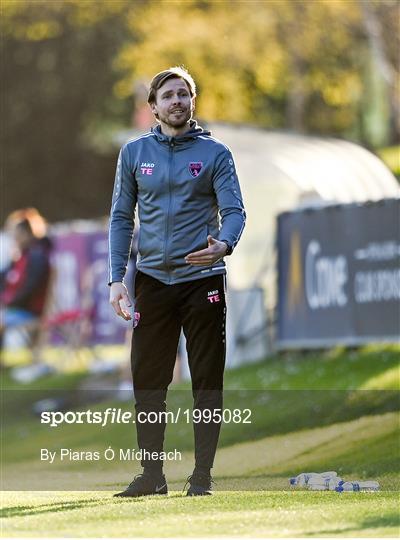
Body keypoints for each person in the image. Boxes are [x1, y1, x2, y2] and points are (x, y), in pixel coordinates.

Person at [108, 66, 246, 497]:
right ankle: (152, 476)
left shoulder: (216, 154)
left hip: (202, 279)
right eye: (167, 95)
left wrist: (224, 244)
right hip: (151, 280)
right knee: (148, 381)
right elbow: (119, 218)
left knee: (206, 379)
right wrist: (117, 279)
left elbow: (235, 212)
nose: (176, 102)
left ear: (192, 101)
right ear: (153, 107)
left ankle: (202, 477)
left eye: (183, 94)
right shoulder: (133, 153)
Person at [0, 209, 52, 358]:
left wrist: (7, 302)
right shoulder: (19, 256)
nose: (14, 238)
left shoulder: (37, 257)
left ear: (28, 234)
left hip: (29, 311)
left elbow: (29, 290)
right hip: (14, 309)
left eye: (17, 234)